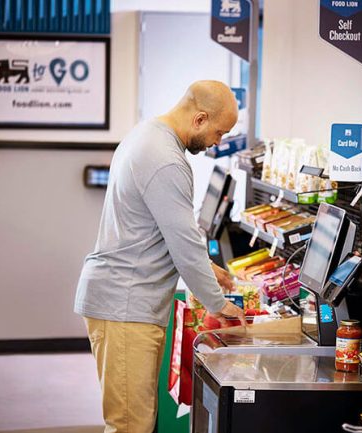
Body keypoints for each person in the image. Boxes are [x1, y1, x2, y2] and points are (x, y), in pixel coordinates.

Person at [74, 80, 246, 433]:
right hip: (124, 304)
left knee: (139, 420)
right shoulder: (166, 160)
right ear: (199, 119)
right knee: (129, 425)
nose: (218, 142)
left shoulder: (147, 135)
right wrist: (218, 304)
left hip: (126, 300)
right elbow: (183, 240)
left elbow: (161, 232)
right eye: (219, 132)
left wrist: (209, 269)